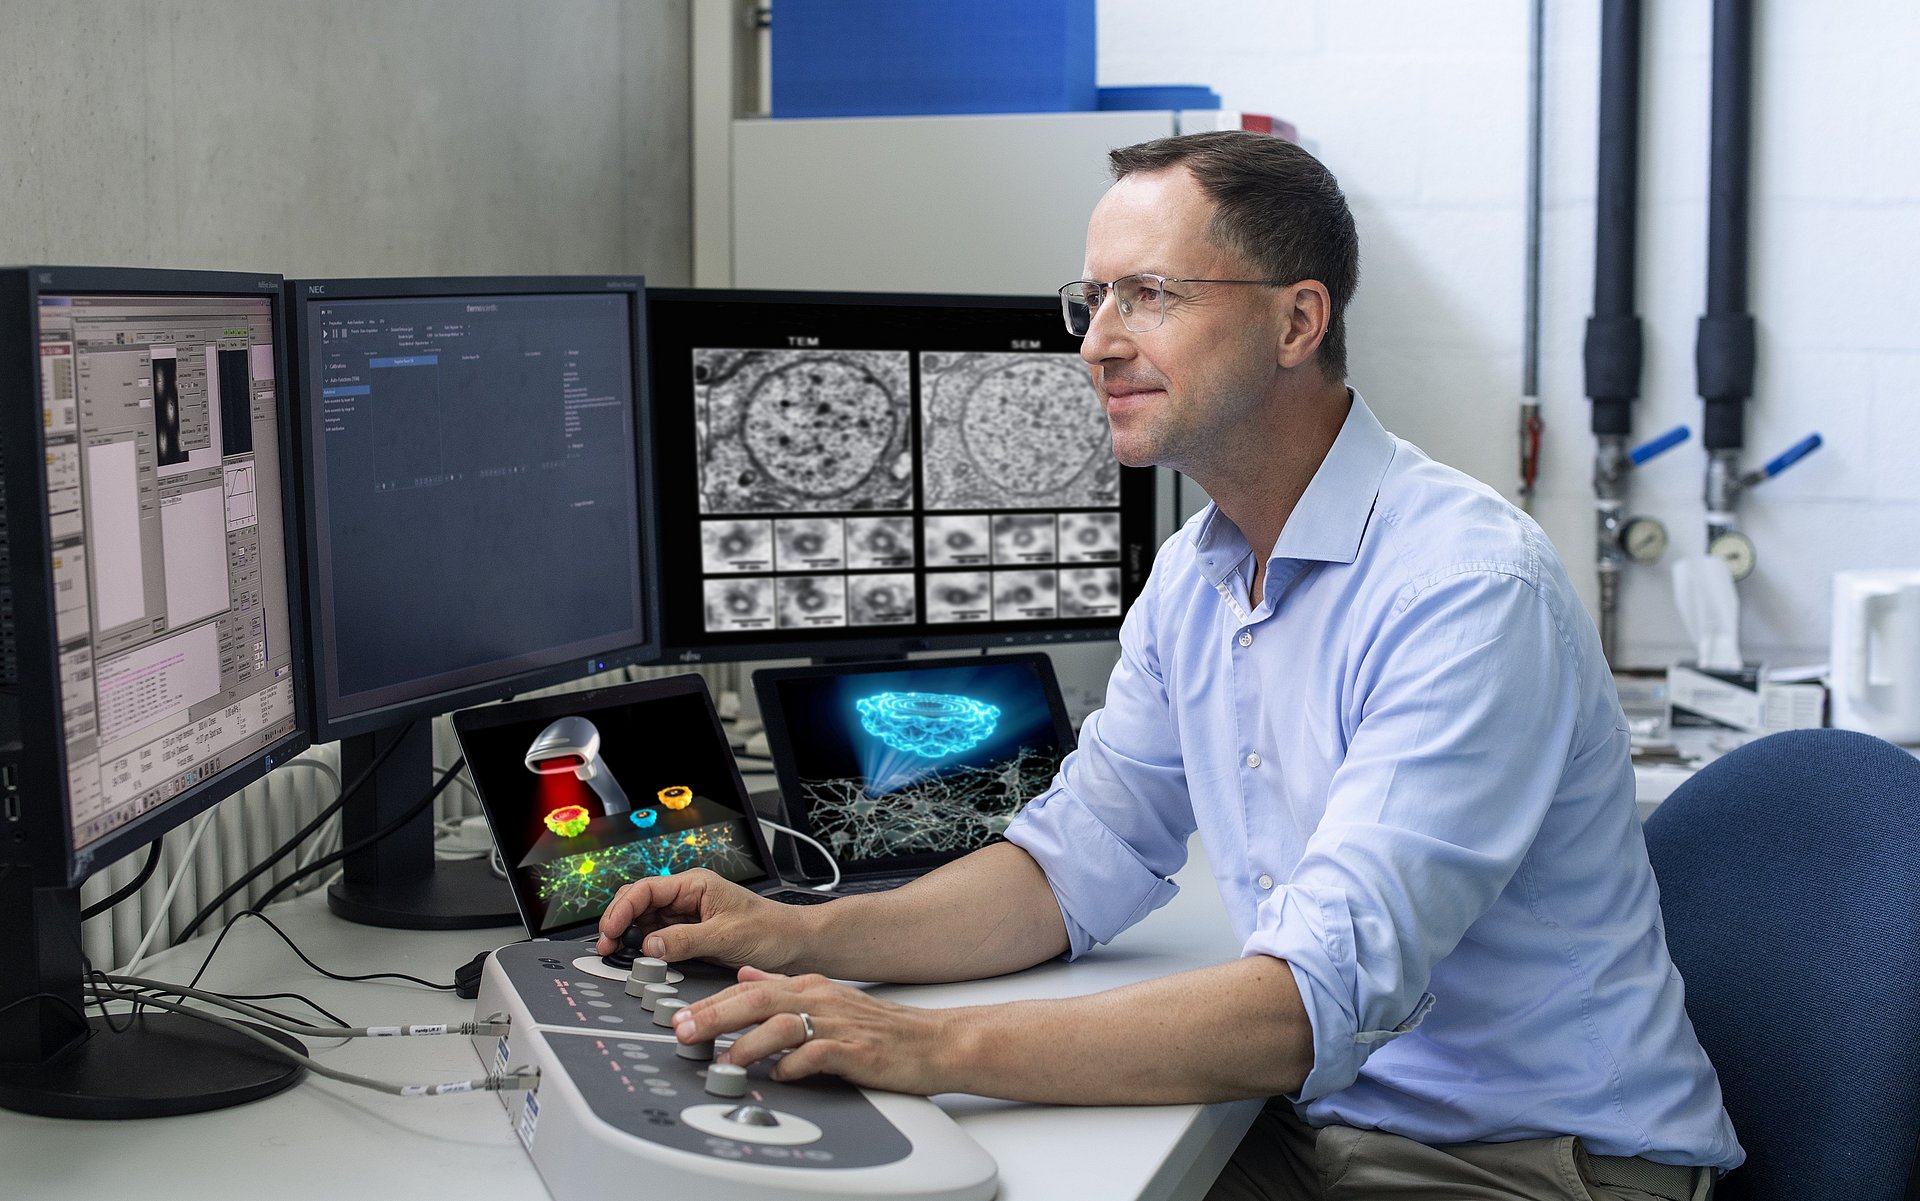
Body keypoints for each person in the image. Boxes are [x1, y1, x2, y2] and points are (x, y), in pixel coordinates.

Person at [597, 131, 1742, 1200]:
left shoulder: (1466, 588)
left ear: (1298, 322)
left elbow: (1308, 1001)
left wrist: (928, 1045)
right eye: (1091, 298)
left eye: (1148, 294)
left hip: (1527, 1163)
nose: (1096, 341)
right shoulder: (1200, 572)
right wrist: (799, 933)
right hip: (1330, 1123)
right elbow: (1066, 869)